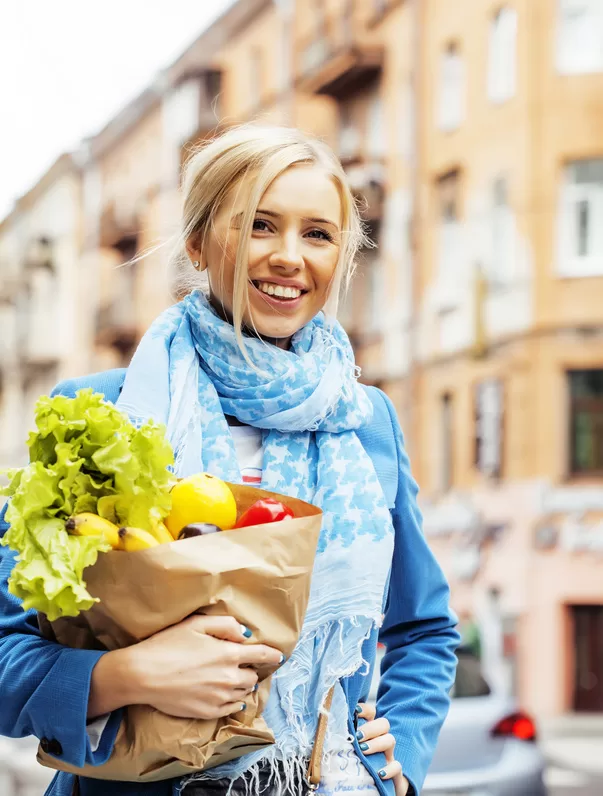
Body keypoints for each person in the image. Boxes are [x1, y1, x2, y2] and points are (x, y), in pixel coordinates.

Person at [0, 125, 460, 796]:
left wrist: (400, 757)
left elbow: (425, 629)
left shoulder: (367, 422)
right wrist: (127, 676)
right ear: (197, 242)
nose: (288, 256)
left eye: (318, 234)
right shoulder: (98, 419)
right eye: (258, 225)